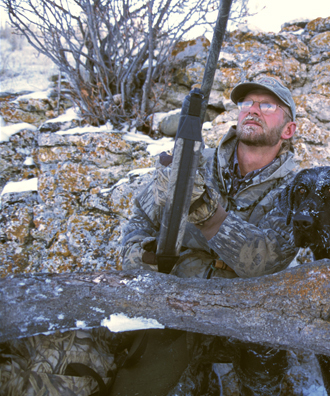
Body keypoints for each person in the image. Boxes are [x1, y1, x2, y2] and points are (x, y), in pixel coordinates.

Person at [120, 75, 299, 395]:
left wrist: (206, 214)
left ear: (288, 130)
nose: (253, 110)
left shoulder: (297, 191)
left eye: (268, 105)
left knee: (264, 368)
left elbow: (267, 261)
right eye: (247, 103)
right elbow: (139, 222)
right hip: (179, 305)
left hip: (248, 320)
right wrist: (145, 257)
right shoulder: (195, 162)